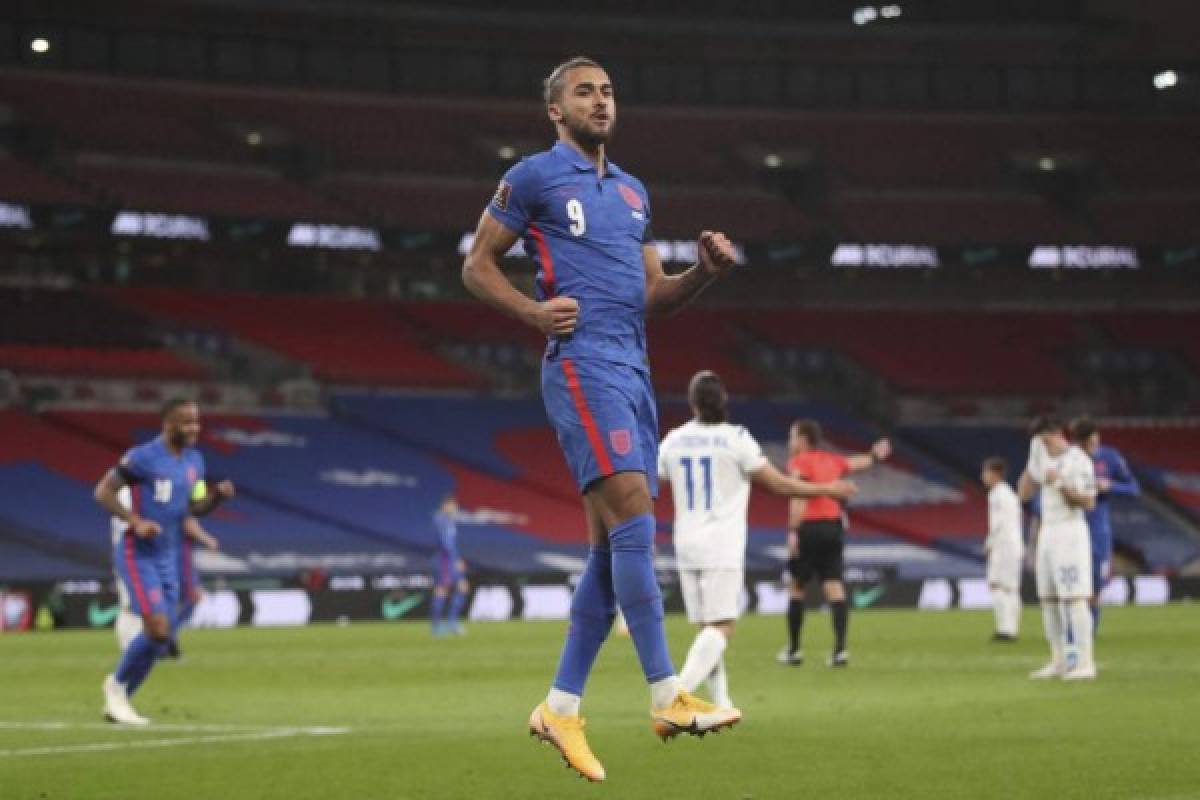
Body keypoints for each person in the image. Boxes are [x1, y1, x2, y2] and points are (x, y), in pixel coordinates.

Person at [462, 56, 742, 782]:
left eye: (609, 90)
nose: (601, 101)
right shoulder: (531, 177)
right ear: (556, 110)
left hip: (636, 369)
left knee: (606, 550)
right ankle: (666, 692)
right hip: (582, 363)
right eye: (584, 92)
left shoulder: (633, 192)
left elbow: (655, 295)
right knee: (634, 520)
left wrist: (704, 274)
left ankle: (560, 708)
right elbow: (476, 265)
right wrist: (531, 312)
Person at [658, 371, 856, 709]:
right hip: (720, 543)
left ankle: (721, 702)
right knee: (723, 627)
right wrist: (827, 489)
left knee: (707, 629)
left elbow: (654, 479)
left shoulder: (674, 440)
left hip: (685, 542)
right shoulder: (736, 438)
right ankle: (675, 698)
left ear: (692, 403)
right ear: (723, 402)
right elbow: (780, 485)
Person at [93, 398, 233, 724]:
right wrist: (135, 520)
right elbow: (103, 491)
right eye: (187, 422)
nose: (194, 428)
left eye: (197, 421)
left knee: (162, 637)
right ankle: (115, 688)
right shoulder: (142, 457)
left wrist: (216, 499)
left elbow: (193, 508)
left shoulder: (195, 462)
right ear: (168, 424)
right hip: (137, 553)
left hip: (168, 556)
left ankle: (121, 700)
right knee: (156, 629)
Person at [778, 420, 891, 668]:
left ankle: (794, 651)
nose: (789, 442)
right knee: (834, 587)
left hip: (808, 527)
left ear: (803, 440)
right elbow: (858, 463)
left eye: (792, 437)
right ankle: (840, 651)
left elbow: (798, 495)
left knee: (797, 587)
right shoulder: (831, 460)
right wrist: (875, 455)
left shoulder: (799, 462)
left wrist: (793, 530)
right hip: (832, 528)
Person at [1019, 416, 1098, 681]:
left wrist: (1060, 483)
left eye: (1042, 441)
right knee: (1048, 599)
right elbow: (1023, 495)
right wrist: (1031, 465)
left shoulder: (1079, 460)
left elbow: (1088, 502)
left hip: (1070, 531)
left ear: (1054, 435)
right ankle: (1059, 660)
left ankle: (1086, 663)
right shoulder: (1042, 458)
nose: (1042, 446)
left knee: (1074, 598)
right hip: (1047, 531)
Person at [111, 487, 219, 654]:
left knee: (157, 603)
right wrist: (207, 539)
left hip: (144, 553)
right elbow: (185, 520)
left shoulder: (142, 490)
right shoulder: (140, 492)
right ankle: (158, 642)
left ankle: (161, 641)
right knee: (145, 604)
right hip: (146, 554)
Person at [1069, 417, 1139, 632]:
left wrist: (1111, 486)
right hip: (1070, 526)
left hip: (1098, 528)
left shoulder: (1109, 457)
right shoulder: (1067, 460)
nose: (1094, 443)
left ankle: (1090, 631)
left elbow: (1134, 488)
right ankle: (1073, 630)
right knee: (1072, 582)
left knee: (1096, 583)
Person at [430, 493, 526, 636]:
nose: (455, 508)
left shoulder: (447, 520)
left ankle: (448, 624)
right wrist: (455, 560)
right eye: (453, 505)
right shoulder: (441, 520)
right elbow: (446, 544)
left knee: (460, 588)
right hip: (445, 561)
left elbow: (474, 518)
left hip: (446, 560)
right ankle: (439, 627)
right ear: (446, 505)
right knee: (444, 589)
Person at [981, 457, 1023, 641]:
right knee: (1011, 588)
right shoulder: (1010, 494)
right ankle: (1011, 628)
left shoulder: (997, 494)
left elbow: (998, 524)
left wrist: (989, 544)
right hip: (1014, 544)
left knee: (998, 585)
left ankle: (1005, 630)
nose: (983, 476)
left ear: (995, 474)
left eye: (985, 472)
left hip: (1003, 545)